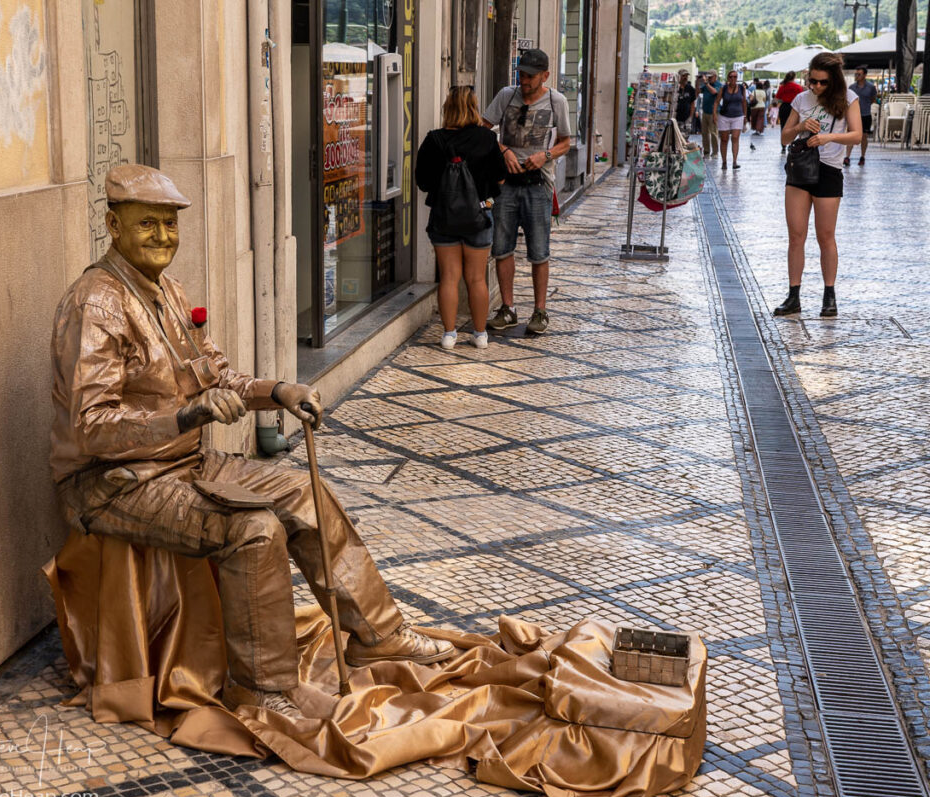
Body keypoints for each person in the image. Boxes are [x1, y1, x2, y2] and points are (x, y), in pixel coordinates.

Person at [50, 164, 455, 718]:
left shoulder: (167, 290)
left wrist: (278, 390)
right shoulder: (95, 304)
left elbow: (216, 374)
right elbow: (91, 427)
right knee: (255, 531)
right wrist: (185, 416)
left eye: (169, 225)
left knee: (306, 493)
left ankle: (377, 634)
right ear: (113, 226)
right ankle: (261, 689)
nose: (163, 238)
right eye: (147, 225)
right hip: (115, 483)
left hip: (185, 461)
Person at [482, 48, 572, 336]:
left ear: (545, 75)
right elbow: (483, 132)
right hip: (506, 184)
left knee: (539, 251)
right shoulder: (506, 96)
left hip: (538, 186)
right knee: (502, 247)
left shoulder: (556, 101)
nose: (525, 80)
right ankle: (507, 308)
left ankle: (540, 310)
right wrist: (504, 150)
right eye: (521, 74)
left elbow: (566, 142)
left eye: (531, 76)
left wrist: (545, 155)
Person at [416, 87, 506, 350]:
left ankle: (449, 334)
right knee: (477, 278)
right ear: (474, 108)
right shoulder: (487, 139)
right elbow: (500, 178)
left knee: (448, 277)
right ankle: (480, 335)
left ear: (448, 108)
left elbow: (422, 182)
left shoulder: (434, 140)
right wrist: (484, 198)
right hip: (479, 215)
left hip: (443, 218)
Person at [775, 53, 862, 318]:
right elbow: (784, 136)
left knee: (825, 236)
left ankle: (829, 295)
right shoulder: (801, 99)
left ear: (833, 80)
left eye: (822, 82)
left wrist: (828, 137)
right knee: (796, 235)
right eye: (812, 81)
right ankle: (793, 296)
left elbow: (857, 135)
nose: (816, 87)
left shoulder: (849, 99)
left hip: (829, 171)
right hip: (800, 170)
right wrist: (801, 124)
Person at [713, 70, 748, 169]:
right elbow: (716, 102)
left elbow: (744, 102)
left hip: (738, 116)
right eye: (731, 77)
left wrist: (745, 116)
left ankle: (734, 161)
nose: (733, 78)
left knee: (735, 138)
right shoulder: (723, 88)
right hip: (724, 116)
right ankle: (724, 162)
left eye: (735, 77)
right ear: (728, 78)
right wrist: (714, 114)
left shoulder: (741, 88)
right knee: (724, 140)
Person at [844, 66, 878, 166]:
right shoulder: (851, 87)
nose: (857, 76)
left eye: (859, 74)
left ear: (864, 75)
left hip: (865, 114)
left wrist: (865, 106)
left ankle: (862, 156)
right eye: (856, 74)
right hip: (853, 115)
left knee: (864, 137)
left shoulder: (871, 87)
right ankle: (847, 157)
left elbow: (873, 99)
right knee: (850, 136)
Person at [775, 72, 806, 153]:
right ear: (794, 77)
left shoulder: (783, 87)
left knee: (783, 125)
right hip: (794, 108)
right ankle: (791, 143)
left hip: (784, 107)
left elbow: (778, 98)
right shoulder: (798, 87)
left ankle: (783, 145)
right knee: (793, 126)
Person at [700, 71, 721, 157]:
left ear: (715, 77)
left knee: (713, 133)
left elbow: (714, 92)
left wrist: (706, 83)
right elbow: (698, 92)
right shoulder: (706, 85)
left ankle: (715, 152)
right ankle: (706, 151)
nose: (709, 79)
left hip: (714, 112)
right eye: (708, 77)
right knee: (704, 133)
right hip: (705, 111)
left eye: (710, 77)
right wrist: (698, 82)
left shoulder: (718, 84)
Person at [675, 70, 697, 136]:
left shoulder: (690, 88)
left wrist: (690, 117)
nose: (685, 77)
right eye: (683, 76)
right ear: (679, 76)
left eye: (686, 76)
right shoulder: (675, 87)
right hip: (675, 117)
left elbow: (692, 103)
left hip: (686, 117)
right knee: (676, 136)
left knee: (685, 136)